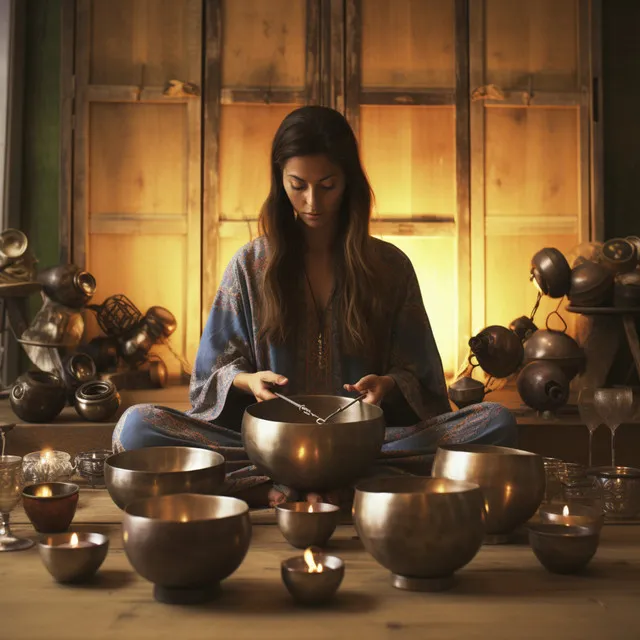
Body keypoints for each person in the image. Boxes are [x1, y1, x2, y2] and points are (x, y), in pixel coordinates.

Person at [113, 105, 517, 507]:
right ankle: (354, 489)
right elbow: (211, 373)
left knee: (494, 423)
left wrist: (388, 384)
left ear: (349, 183)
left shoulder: (389, 267)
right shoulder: (251, 265)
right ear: (280, 180)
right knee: (138, 427)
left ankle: (281, 488)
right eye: (297, 185)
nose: (311, 202)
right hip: (267, 445)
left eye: (327, 185)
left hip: (367, 444)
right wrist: (247, 381)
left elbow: (422, 377)